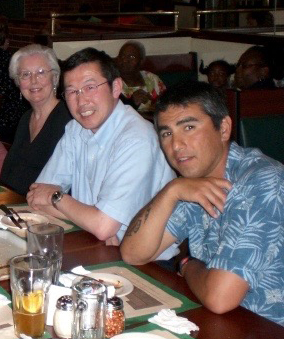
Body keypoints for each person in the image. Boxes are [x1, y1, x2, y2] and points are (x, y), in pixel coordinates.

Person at [120, 81, 284, 325]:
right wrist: (171, 190)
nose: (176, 145)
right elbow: (133, 253)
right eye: (167, 133)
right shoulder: (194, 181)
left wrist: (187, 265)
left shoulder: (262, 181)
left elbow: (220, 298)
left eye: (189, 127)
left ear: (224, 128)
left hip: (266, 326)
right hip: (223, 322)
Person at [27, 47, 178, 260]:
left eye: (90, 87)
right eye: (72, 91)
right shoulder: (75, 130)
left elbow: (101, 225)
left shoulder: (136, 138)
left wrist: (57, 197)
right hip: (97, 246)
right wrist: (92, 222)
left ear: (116, 87)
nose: (81, 101)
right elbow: (37, 198)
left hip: (148, 264)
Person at [0, 44, 71, 195]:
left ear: (55, 78)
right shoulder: (26, 118)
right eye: (25, 74)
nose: (33, 81)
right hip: (14, 204)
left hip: (46, 210)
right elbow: (9, 171)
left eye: (41, 72)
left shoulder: (68, 120)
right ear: (18, 82)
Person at [115, 40, 166, 113]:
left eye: (132, 57)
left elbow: (168, 106)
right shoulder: (112, 83)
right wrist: (132, 102)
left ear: (141, 61)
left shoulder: (152, 79)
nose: (125, 60)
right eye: (122, 56)